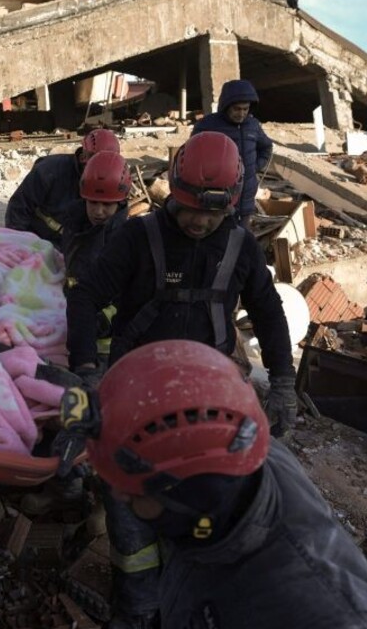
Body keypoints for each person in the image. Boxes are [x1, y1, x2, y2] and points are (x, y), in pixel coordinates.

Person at [62, 131, 297, 629]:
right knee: (129, 506)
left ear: (230, 205)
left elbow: (270, 312)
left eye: (210, 214)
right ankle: (140, 607)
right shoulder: (138, 237)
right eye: (190, 209)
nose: (198, 221)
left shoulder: (240, 246)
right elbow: (84, 297)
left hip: (208, 399)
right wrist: (85, 369)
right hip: (136, 393)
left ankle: (188, 605)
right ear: (174, 191)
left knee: (201, 508)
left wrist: (283, 382)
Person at [77, 340, 367, 628]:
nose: (119, 494)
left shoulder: (322, 614)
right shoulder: (235, 463)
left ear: (194, 497)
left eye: (134, 493)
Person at [60, 150, 131, 364]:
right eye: (93, 203)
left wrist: (106, 317)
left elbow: (129, 293)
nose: (98, 211)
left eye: (107, 205)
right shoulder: (74, 220)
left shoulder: (125, 239)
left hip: (105, 337)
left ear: (120, 203)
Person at [6, 128, 120, 245]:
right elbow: (19, 207)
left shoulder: (117, 181)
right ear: (83, 158)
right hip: (37, 240)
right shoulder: (49, 170)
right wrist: (17, 244)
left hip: (72, 246)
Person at [190, 79, 274, 228]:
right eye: (237, 109)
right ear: (226, 106)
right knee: (218, 239)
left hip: (246, 198)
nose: (241, 113)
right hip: (219, 199)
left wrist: (253, 167)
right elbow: (192, 152)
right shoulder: (208, 125)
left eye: (245, 109)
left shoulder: (253, 126)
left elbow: (266, 147)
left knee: (241, 239)